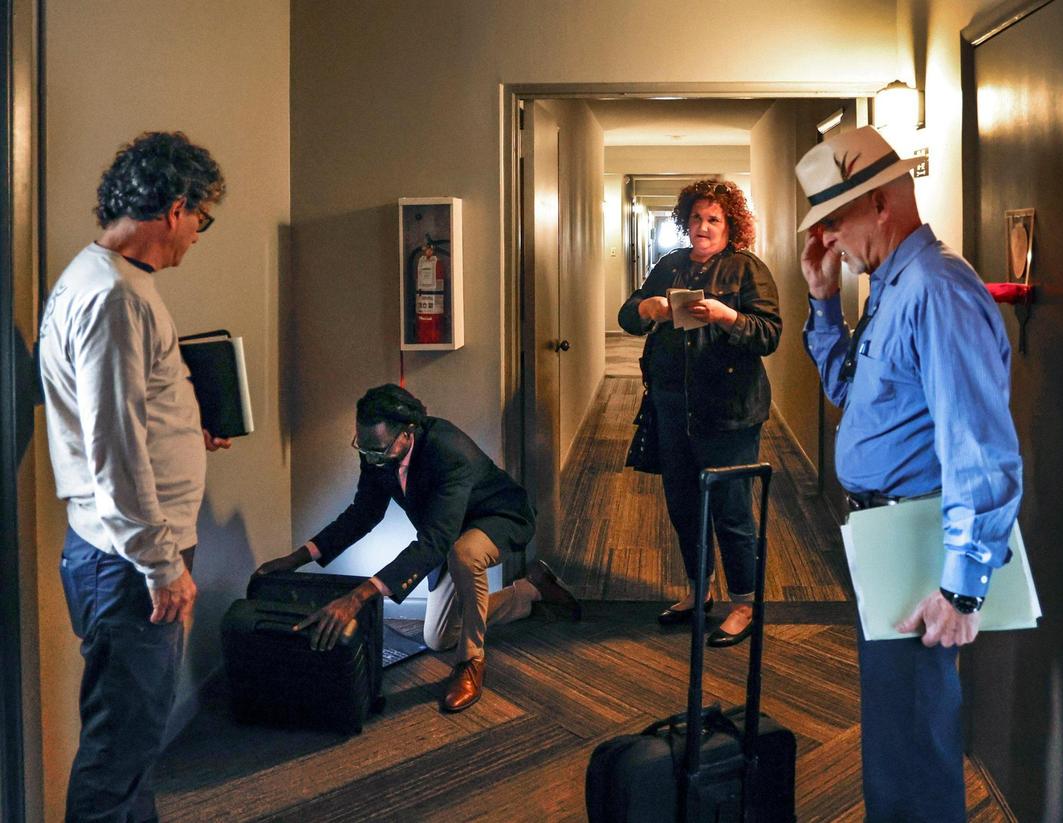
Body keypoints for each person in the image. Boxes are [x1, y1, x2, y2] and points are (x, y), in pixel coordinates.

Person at [795, 126, 1023, 822]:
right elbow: (852, 394)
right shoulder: (889, 285)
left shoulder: (936, 289)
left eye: (834, 222)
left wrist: (962, 587)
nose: (830, 240)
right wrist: (824, 300)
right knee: (895, 735)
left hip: (923, 542)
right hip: (884, 534)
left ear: (882, 206)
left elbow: (979, 446)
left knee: (914, 748)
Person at [38, 131, 229, 822]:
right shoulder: (116, 297)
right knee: (118, 755)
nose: (197, 236)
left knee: (135, 740)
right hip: (128, 565)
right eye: (201, 220)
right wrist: (160, 564)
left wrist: (186, 430)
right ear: (174, 210)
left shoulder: (102, 281)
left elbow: (125, 415)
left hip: (119, 555)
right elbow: (113, 449)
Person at [256, 384, 581, 713]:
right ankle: (531, 591)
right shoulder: (377, 450)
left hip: (498, 516)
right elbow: (363, 514)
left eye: (378, 450)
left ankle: (471, 662)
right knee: (439, 638)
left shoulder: (450, 451)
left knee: (463, 553)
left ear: (407, 433)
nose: (371, 458)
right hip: (449, 532)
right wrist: (296, 558)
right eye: (364, 448)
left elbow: (436, 541)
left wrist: (357, 596)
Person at [618, 179, 782, 646]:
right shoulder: (669, 265)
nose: (703, 227)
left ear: (730, 224)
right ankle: (699, 589)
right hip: (672, 406)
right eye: (696, 218)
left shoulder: (748, 269)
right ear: (685, 221)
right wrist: (646, 308)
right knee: (684, 505)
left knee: (731, 510)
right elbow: (627, 317)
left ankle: (745, 603)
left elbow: (770, 334)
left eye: (714, 219)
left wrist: (727, 317)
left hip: (729, 410)